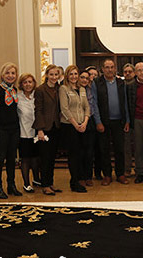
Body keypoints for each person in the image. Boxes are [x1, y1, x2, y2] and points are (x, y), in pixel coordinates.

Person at [95, 59, 130, 185]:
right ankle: (107, 175)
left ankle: (120, 174)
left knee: (119, 149)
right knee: (104, 150)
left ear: (115, 69)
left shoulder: (122, 83)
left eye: (112, 67)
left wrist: (127, 120)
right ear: (103, 69)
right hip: (103, 122)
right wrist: (98, 122)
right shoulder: (97, 83)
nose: (110, 70)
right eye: (107, 67)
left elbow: (125, 102)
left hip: (119, 122)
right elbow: (94, 104)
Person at [0, 62, 21, 199]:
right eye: (7, 73)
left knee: (11, 158)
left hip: (14, 128)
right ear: (2, 75)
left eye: (13, 73)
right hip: (1, 129)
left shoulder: (14, 91)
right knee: (0, 159)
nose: (10, 75)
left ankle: (11, 185)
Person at [59, 65, 90, 193]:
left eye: (75, 74)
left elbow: (87, 107)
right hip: (70, 126)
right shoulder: (63, 89)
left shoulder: (82, 89)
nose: (73, 77)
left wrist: (85, 122)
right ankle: (74, 182)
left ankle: (80, 178)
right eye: (71, 74)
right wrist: (75, 124)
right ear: (67, 76)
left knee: (82, 153)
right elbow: (64, 109)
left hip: (83, 125)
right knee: (74, 155)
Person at [33, 64, 62, 196]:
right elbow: (38, 110)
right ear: (47, 75)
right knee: (45, 157)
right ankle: (45, 184)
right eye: (51, 74)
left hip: (56, 127)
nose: (54, 77)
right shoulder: (40, 90)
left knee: (52, 158)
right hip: (44, 128)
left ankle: (50, 183)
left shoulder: (60, 88)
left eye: (56, 75)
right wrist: (40, 129)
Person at [16, 73, 41, 193]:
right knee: (25, 159)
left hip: (36, 132)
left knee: (36, 158)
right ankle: (26, 183)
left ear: (34, 83)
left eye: (30, 82)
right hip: (23, 132)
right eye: (25, 82)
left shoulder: (37, 96)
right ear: (21, 84)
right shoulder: (17, 97)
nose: (28, 84)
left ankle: (36, 179)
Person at [78, 70, 99, 187]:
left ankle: (88, 176)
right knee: (80, 151)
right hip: (78, 122)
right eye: (82, 77)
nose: (84, 80)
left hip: (90, 121)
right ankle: (80, 176)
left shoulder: (92, 89)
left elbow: (94, 105)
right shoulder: (74, 90)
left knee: (89, 151)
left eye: (87, 78)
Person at [123, 63, 136, 176]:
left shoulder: (138, 85)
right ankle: (127, 168)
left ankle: (138, 169)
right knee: (126, 147)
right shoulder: (120, 85)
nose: (127, 73)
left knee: (138, 147)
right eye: (125, 72)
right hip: (125, 121)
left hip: (137, 120)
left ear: (134, 73)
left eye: (130, 71)